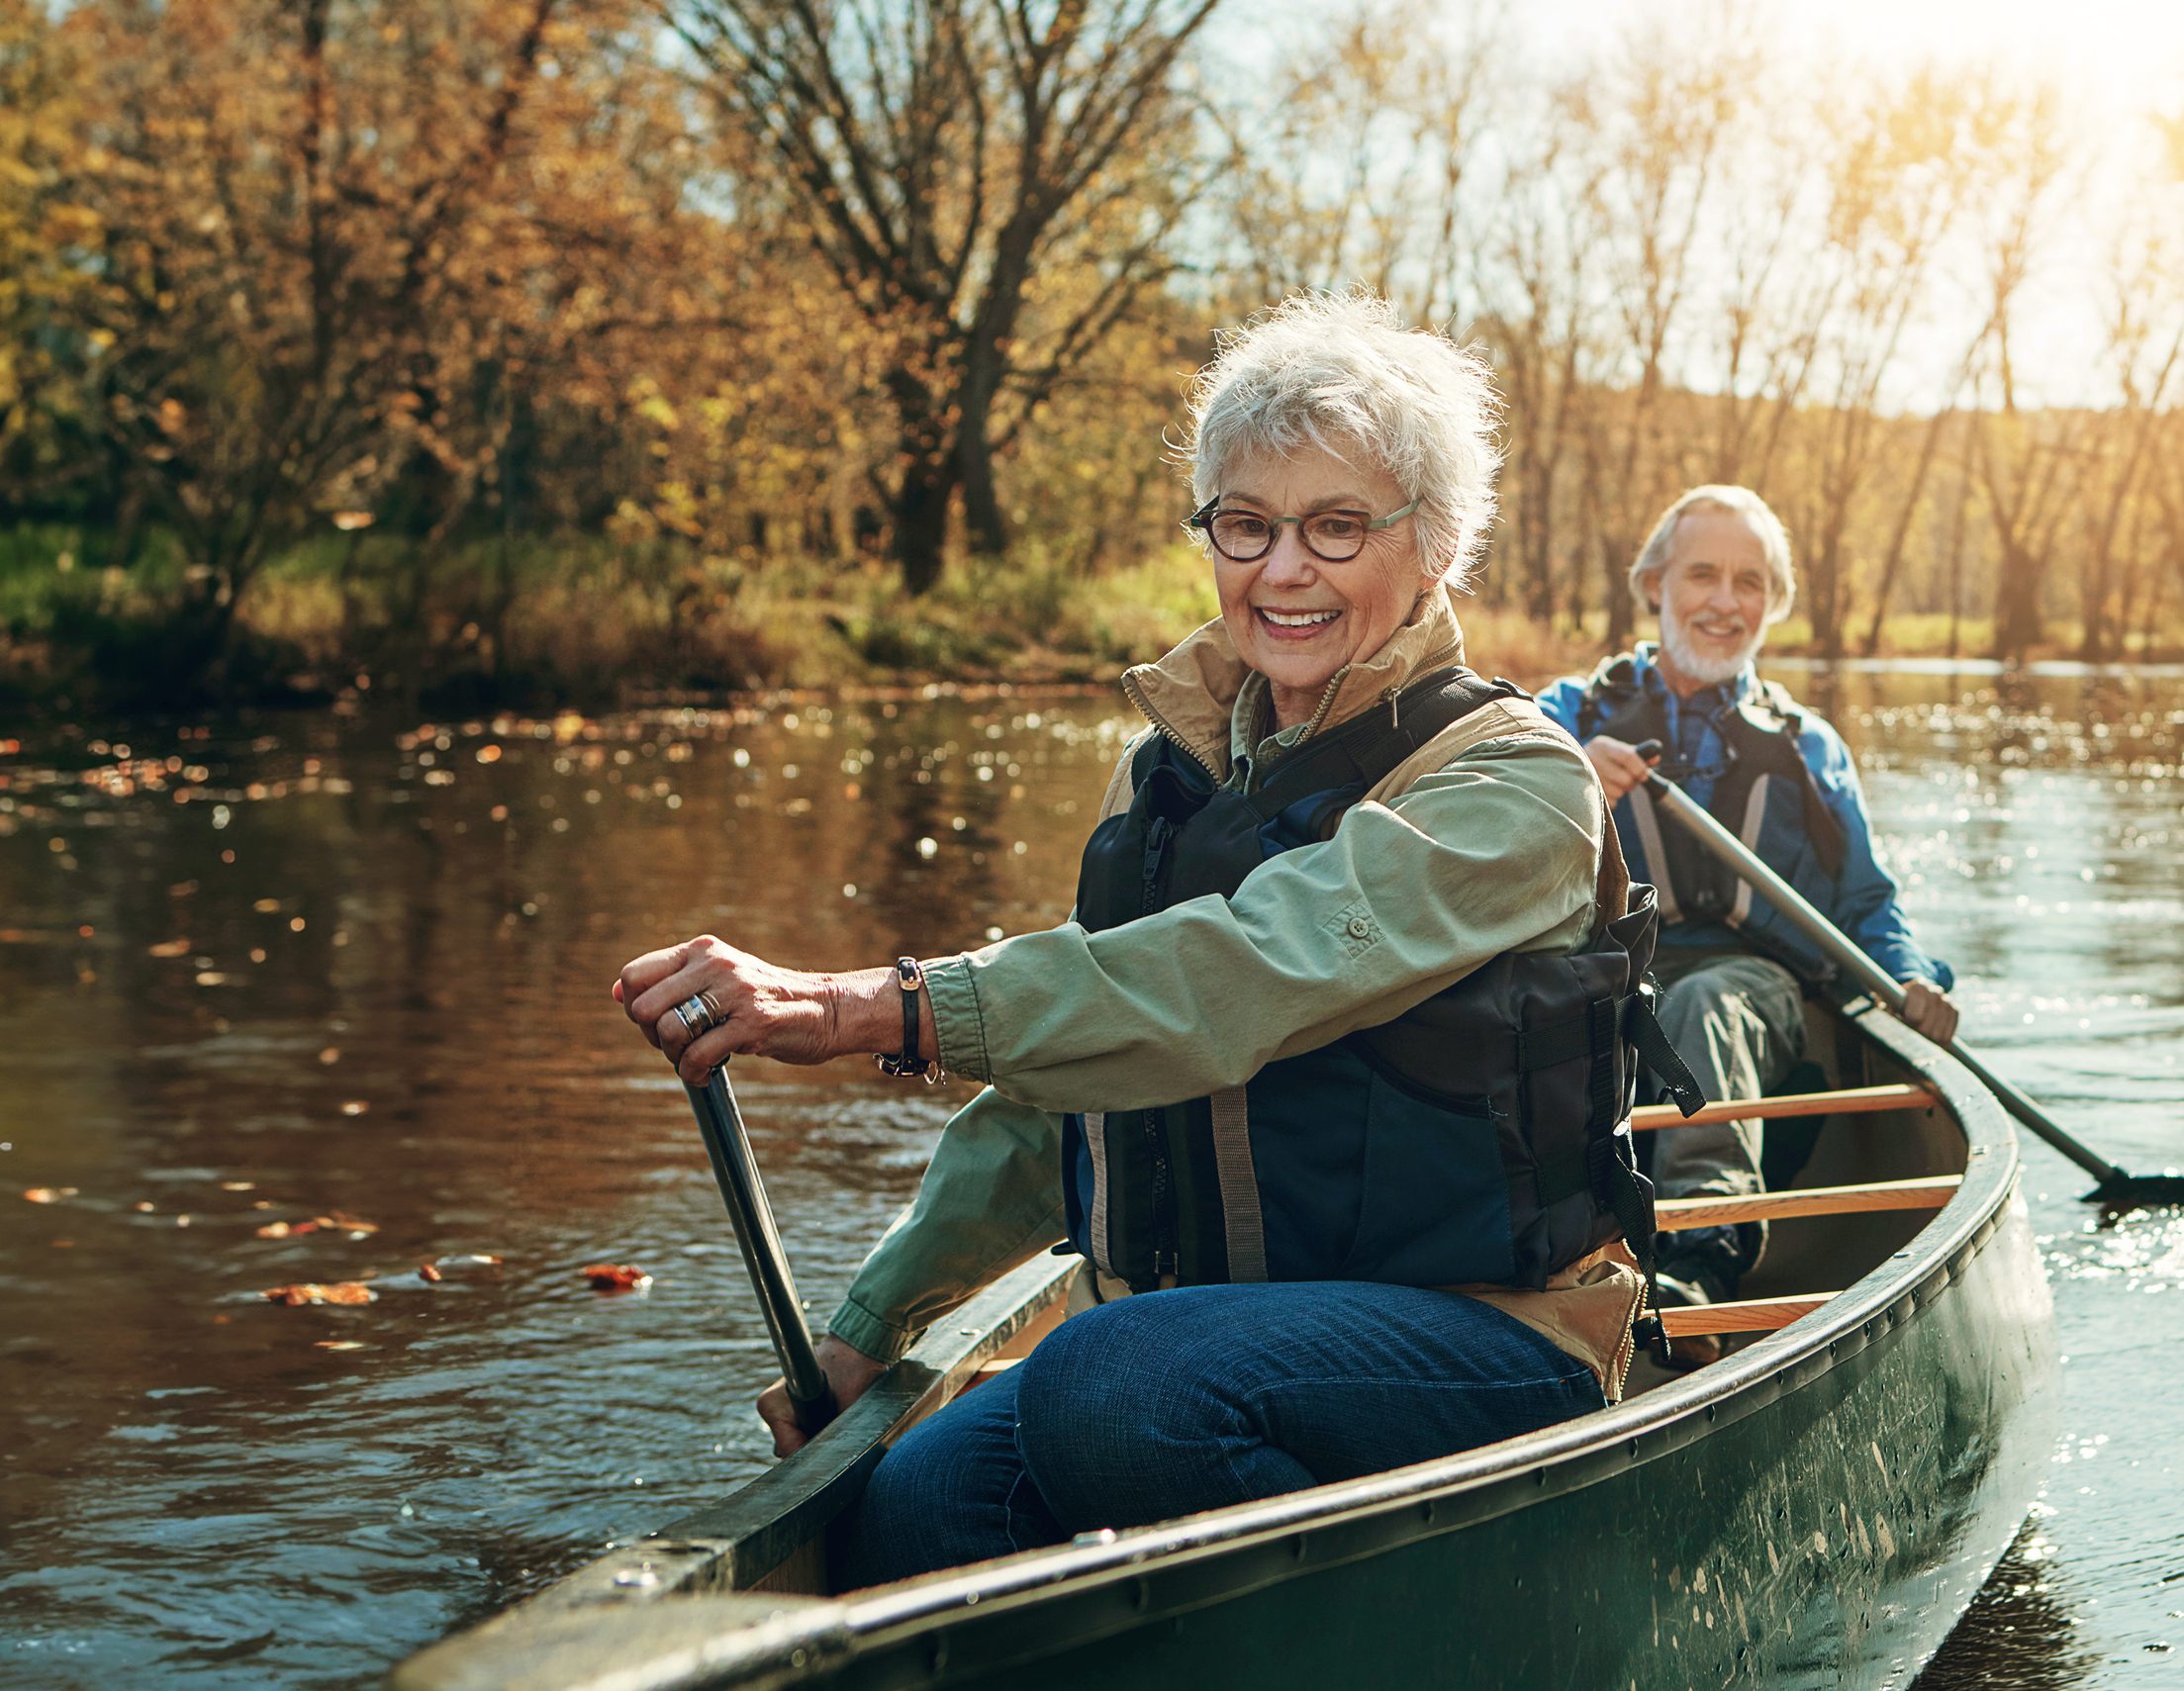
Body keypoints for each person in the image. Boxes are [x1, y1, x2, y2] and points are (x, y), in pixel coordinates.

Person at [615, 293, 1665, 1588]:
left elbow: (1236, 975)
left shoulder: (1511, 782)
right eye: (1245, 523)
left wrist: (862, 1008)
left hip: (1481, 1333)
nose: (1281, 570)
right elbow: (1056, 1100)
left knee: (1111, 1383)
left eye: (1336, 526)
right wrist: (868, 1331)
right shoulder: (1162, 779)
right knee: (906, 1514)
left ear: (1434, 546)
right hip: (1196, 1343)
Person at [1535, 485, 1956, 1356]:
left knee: (1707, 1002)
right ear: (1652, 583)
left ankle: (1701, 1256)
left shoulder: (1807, 745)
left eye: (1750, 582)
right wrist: (1564, 775)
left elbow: (1867, 902)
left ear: (1774, 604)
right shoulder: (1562, 718)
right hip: (1606, 974)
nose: (1725, 601)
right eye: (1702, 574)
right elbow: (1473, 823)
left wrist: (1912, 975)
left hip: (1753, 983)